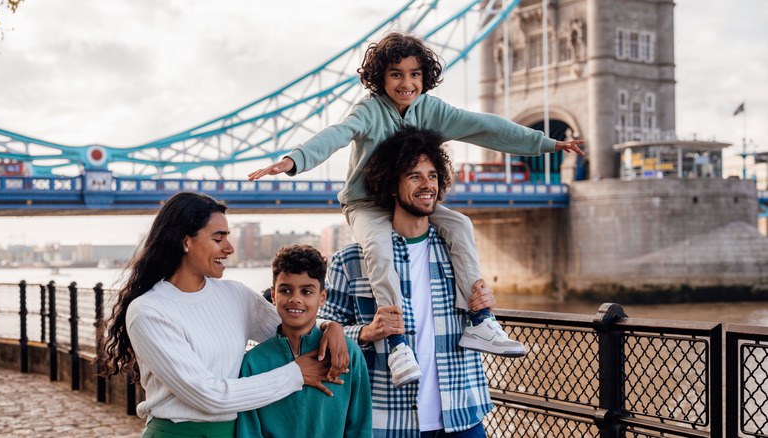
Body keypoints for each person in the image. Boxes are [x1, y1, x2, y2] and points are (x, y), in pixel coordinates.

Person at [250, 32, 584, 387]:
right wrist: (293, 160)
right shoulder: (368, 110)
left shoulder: (432, 110)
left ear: (424, 77)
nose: (406, 83)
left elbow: (484, 126)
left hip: (411, 197)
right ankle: (396, 345)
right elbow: (336, 133)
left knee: (459, 225)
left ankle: (481, 322)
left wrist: (546, 143)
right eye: (396, 74)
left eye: (414, 74)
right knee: (377, 248)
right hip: (367, 203)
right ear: (381, 78)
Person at [96, 192, 350, 438]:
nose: (229, 248)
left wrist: (330, 326)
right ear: (185, 242)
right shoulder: (148, 311)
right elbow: (208, 396)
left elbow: (293, 331)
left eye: (228, 237)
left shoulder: (235, 295)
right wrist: (295, 374)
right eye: (219, 239)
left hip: (234, 432)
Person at [319, 126, 501, 437]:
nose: (427, 184)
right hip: (388, 422)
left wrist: (484, 306)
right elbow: (321, 330)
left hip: (462, 416)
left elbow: (474, 323)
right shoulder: (350, 261)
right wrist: (366, 332)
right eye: (414, 176)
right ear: (392, 185)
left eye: (432, 175)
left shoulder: (457, 253)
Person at [236, 245, 372, 438]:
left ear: (322, 297)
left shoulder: (347, 353)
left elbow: (360, 428)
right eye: (286, 290)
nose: (295, 299)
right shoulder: (253, 363)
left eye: (306, 291)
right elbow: (248, 432)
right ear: (273, 295)